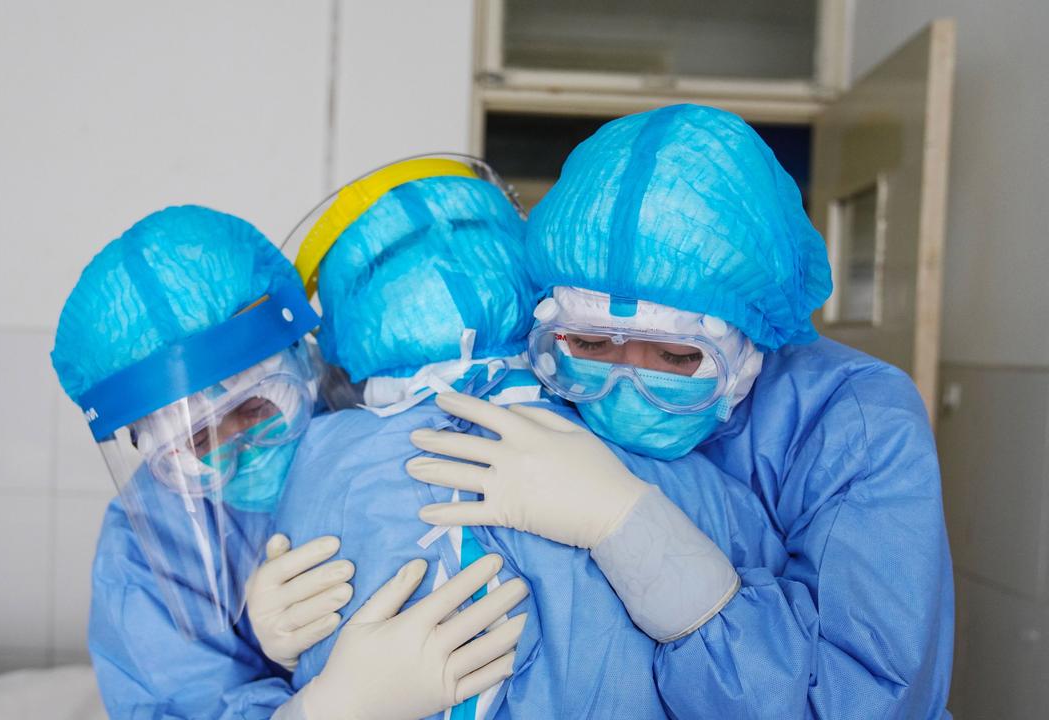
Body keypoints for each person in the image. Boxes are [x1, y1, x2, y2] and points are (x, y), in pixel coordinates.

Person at [408, 104, 954, 717]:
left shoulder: (854, 420)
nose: (623, 386)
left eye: (673, 355)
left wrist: (631, 529)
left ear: (749, 343)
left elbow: (861, 702)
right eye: (590, 345)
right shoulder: (535, 382)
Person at [256, 154, 774, 719]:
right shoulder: (646, 451)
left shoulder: (316, 459)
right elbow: (772, 672)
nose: (630, 369)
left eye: (674, 356)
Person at [52, 205, 516, 719]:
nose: (240, 451)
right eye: (197, 441)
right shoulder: (146, 549)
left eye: (253, 408)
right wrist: (330, 708)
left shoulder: (396, 414)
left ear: (302, 354)